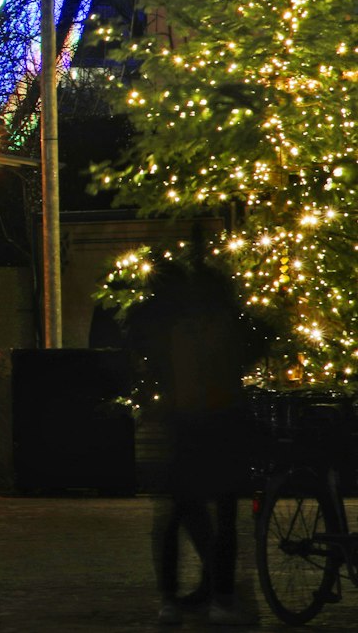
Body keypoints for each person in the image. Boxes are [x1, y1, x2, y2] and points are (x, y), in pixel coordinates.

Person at [127, 253, 267, 625]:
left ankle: (177, 598)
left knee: (177, 513)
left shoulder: (177, 326)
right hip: (223, 423)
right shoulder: (225, 325)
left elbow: (158, 365)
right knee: (221, 515)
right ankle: (220, 597)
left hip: (189, 424)